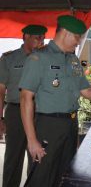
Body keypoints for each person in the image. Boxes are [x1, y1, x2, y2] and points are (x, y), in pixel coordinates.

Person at [19, 15, 91, 187]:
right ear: (66, 33)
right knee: (42, 176)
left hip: (71, 124)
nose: (78, 42)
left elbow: (86, 91)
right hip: (48, 125)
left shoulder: (72, 60)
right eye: (77, 37)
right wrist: (32, 140)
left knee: (64, 173)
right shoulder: (39, 59)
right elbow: (26, 99)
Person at [0, 24, 47, 187]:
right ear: (25, 36)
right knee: (13, 157)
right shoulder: (9, 58)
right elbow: (0, 91)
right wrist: (0, 118)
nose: (41, 41)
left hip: (40, 112)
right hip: (15, 111)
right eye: (37, 37)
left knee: (37, 157)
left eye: (43, 37)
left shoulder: (46, 58)